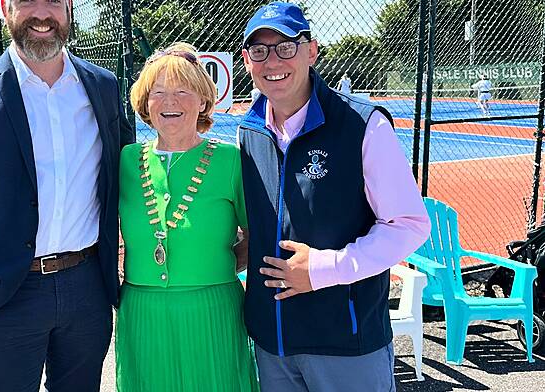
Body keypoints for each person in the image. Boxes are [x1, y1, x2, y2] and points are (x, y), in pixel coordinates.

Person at [0, 0, 134, 390]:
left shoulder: (103, 86)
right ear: (6, 8)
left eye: (54, 1)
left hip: (87, 288)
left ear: (69, 8)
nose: (43, 13)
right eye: (27, 1)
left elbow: (125, 174)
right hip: (6, 292)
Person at [238, 3, 431, 391]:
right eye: (259, 50)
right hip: (271, 344)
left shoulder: (364, 125)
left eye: (286, 46)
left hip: (346, 343)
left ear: (311, 51)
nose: (272, 60)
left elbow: (410, 226)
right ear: (247, 60)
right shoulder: (248, 132)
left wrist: (324, 269)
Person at [115, 42, 259, 392]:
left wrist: (216, 265)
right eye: (158, 93)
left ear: (203, 100)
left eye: (183, 91)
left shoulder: (231, 160)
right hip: (142, 313)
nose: (170, 102)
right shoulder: (126, 160)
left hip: (212, 312)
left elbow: (256, 235)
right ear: (145, 103)